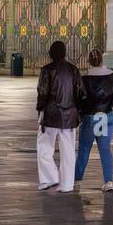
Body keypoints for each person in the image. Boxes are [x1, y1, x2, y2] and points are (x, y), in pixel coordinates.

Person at [36, 40, 85, 193]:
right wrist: (76, 110)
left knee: (44, 147)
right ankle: (67, 185)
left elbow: (42, 92)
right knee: (69, 151)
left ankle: (49, 178)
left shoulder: (46, 70)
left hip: (51, 115)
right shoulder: (74, 70)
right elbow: (81, 93)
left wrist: (40, 109)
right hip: (70, 116)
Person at [76, 48, 113, 192]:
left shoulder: (84, 79)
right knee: (105, 150)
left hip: (90, 118)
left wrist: (79, 116)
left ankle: (76, 180)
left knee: (84, 150)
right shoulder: (112, 76)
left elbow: (79, 100)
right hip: (105, 117)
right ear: (102, 60)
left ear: (89, 62)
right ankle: (109, 182)